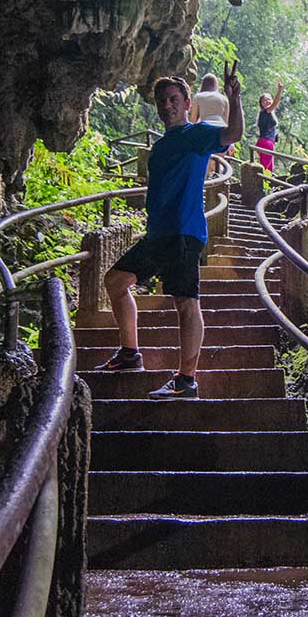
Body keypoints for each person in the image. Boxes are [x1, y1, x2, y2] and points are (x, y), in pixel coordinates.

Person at [98, 62, 244, 399]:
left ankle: (186, 380)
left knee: (186, 302)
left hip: (183, 231)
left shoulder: (198, 134)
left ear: (187, 102)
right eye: (162, 100)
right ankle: (130, 353)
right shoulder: (161, 147)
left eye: (174, 99)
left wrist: (235, 98)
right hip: (158, 234)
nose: (167, 105)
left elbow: (232, 135)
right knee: (116, 281)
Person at [255, 81, 282, 172]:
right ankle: (257, 184)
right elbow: (275, 103)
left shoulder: (268, 114)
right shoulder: (265, 111)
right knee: (265, 168)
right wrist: (279, 91)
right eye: (264, 100)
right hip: (266, 143)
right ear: (261, 104)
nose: (267, 101)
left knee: (269, 169)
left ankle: (267, 185)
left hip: (266, 142)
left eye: (269, 99)